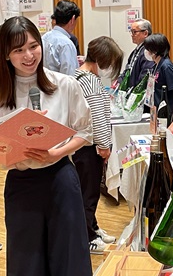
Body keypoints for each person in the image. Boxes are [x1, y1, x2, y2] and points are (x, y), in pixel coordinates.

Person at [0, 16, 93, 276]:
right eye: (18, 50)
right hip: (21, 183)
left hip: (61, 179)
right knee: (26, 262)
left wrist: (55, 152)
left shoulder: (64, 85)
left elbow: (85, 131)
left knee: (69, 258)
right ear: (6, 55)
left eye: (33, 46)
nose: (28, 55)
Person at [73, 36, 124, 254]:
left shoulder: (79, 75)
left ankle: (91, 227)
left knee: (87, 190)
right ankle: (87, 236)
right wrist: (104, 145)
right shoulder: (90, 81)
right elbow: (98, 117)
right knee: (89, 192)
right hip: (89, 146)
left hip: (83, 145)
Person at [142, 33, 173, 117]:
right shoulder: (155, 65)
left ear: (155, 50)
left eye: (148, 49)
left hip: (166, 113)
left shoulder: (166, 66)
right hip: (156, 111)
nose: (146, 51)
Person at [42, 0, 80, 75]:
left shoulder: (44, 37)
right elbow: (70, 78)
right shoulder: (66, 44)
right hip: (60, 86)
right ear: (72, 19)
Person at [117, 18, 154, 89]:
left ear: (145, 33)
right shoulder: (135, 51)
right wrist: (119, 82)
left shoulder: (148, 53)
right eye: (131, 32)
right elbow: (127, 70)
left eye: (134, 32)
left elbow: (144, 79)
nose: (132, 35)